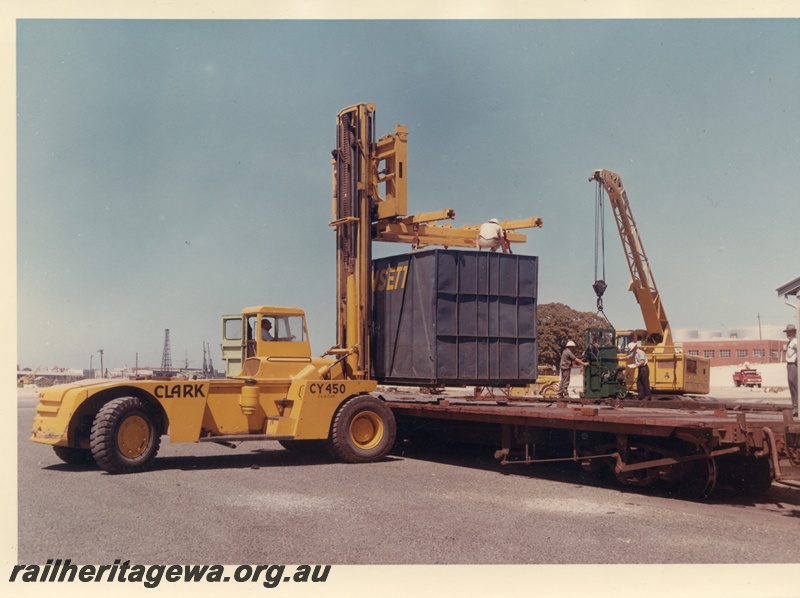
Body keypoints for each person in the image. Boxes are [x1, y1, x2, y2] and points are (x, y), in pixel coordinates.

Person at [785, 324, 798, 417]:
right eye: (787, 332)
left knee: (795, 387)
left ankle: (796, 408)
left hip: (794, 365)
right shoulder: (790, 341)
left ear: (794, 332)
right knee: (792, 388)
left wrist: (797, 358)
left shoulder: (796, 341)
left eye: (789, 331)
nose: (788, 333)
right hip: (789, 365)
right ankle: (795, 407)